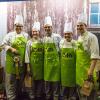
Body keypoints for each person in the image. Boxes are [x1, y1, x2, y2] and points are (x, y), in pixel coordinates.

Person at [2, 15, 29, 100]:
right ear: (14, 26)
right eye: (17, 26)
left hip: (21, 65)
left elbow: (28, 48)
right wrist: (11, 48)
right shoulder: (9, 35)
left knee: (19, 84)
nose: (19, 28)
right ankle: (10, 98)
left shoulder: (26, 36)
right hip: (11, 64)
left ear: (22, 27)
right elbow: (3, 45)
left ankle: (17, 97)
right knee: (10, 83)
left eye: (20, 26)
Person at [76, 13, 100, 99]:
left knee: (90, 95)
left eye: (81, 25)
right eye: (77, 26)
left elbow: (95, 56)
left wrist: (90, 72)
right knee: (82, 95)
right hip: (80, 72)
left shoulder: (92, 37)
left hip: (88, 71)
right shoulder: (79, 38)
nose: (79, 27)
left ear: (86, 25)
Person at [43, 16, 61, 100]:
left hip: (56, 64)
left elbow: (61, 50)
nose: (47, 29)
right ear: (44, 28)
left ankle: (56, 97)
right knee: (47, 82)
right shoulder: (43, 39)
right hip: (47, 65)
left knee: (56, 82)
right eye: (46, 27)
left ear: (52, 27)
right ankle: (48, 96)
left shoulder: (57, 37)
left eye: (49, 27)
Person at [25, 21, 44, 100]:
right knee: (31, 80)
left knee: (40, 80)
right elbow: (27, 55)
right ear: (32, 32)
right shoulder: (29, 42)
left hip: (41, 65)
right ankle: (32, 94)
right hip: (32, 65)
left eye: (36, 31)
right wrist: (28, 66)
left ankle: (38, 93)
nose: (35, 33)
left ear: (39, 32)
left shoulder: (42, 41)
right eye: (33, 31)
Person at [60, 21, 76, 100]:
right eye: (65, 34)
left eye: (68, 34)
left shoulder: (75, 43)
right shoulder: (61, 43)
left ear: (72, 34)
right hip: (63, 70)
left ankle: (71, 97)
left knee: (72, 87)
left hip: (72, 70)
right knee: (64, 87)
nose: (67, 35)